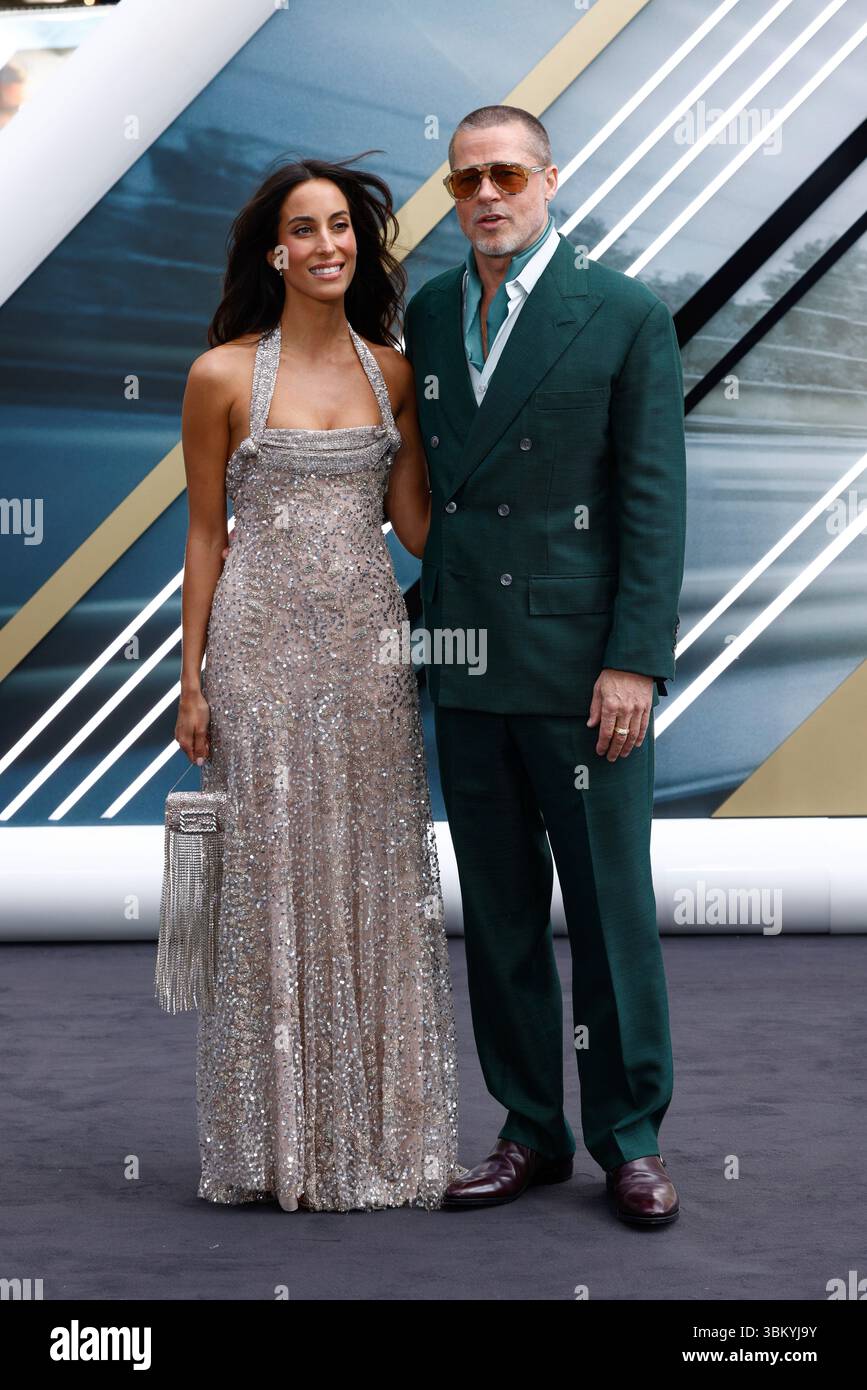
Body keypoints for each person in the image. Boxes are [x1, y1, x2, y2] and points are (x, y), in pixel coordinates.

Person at [402, 105, 686, 1225]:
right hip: (467, 663)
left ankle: (632, 1137)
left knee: (612, 913)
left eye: (507, 172)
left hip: (585, 676)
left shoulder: (624, 314)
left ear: (550, 179)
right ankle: (530, 1128)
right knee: (504, 916)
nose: (486, 194)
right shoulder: (428, 313)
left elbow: (651, 504)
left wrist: (635, 663)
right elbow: (436, 497)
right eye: (466, 177)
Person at [174, 155, 460, 1213]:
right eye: (306, 228)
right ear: (274, 250)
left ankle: (374, 1135)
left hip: (369, 657)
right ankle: (278, 1142)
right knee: (269, 881)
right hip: (258, 655)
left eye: (342, 225)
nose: (328, 244)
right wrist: (192, 677)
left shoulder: (392, 372)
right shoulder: (219, 376)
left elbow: (420, 525)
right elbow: (206, 535)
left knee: (374, 873)